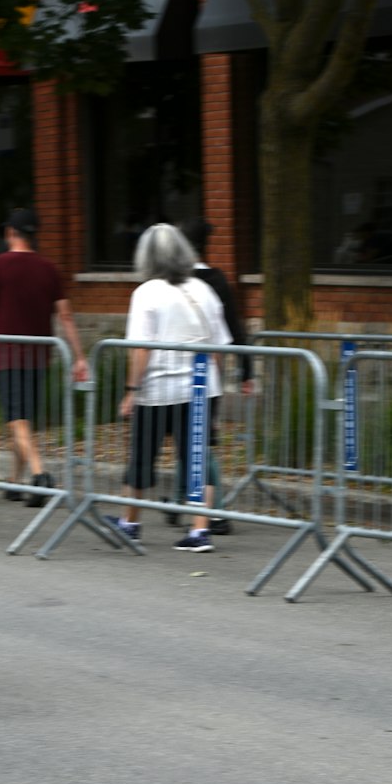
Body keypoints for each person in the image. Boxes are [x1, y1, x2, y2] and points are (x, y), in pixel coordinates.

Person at [104, 223, 231, 552]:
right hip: (202, 388)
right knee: (196, 456)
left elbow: (141, 348)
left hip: (159, 389)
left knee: (142, 456)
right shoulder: (204, 290)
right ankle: (199, 530)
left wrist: (132, 389)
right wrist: (218, 388)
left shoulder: (146, 292)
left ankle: (130, 522)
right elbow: (220, 346)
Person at [0, 208, 89, 506]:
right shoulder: (49, 269)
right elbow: (66, 315)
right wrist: (79, 356)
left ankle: (39, 476)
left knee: (16, 419)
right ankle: (14, 481)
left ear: (10, 232)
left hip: (8, 355)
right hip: (40, 357)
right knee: (23, 419)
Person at [181, 217, 255, 534]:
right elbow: (236, 329)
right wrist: (246, 371)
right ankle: (186, 499)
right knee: (195, 437)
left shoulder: (172, 281)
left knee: (194, 440)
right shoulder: (217, 280)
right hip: (208, 374)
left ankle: (217, 511)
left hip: (172, 374)